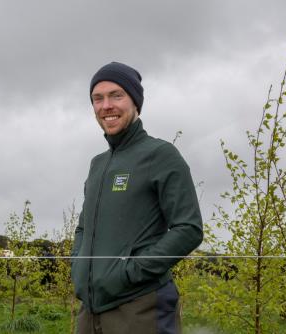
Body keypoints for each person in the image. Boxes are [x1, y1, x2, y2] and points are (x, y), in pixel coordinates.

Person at [71, 62, 203, 334]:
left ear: (135, 102)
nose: (106, 106)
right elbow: (83, 228)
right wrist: (78, 267)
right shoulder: (97, 164)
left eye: (116, 95)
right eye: (98, 98)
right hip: (89, 311)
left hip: (140, 307)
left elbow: (189, 229)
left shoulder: (161, 155)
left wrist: (131, 273)